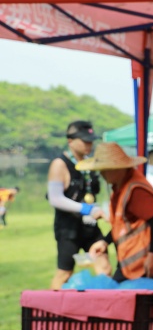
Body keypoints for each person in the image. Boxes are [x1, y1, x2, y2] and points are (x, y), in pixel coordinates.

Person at [81, 142, 153, 290]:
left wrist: (152, 255)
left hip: (143, 258)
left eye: (105, 170)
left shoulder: (136, 190)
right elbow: (121, 223)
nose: (102, 174)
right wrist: (105, 242)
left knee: (136, 293)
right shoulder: (120, 187)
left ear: (118, 168)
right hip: (131, 258)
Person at [47, 120, 110, 289]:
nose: (89, 144)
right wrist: (87, 209)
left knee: (104, 267)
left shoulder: (90, 164)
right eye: (84, 141)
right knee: (64, 273)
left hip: (90, 226)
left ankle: (102, 304)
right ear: (70, 141)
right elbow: (55, 198)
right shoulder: (60, 164)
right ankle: (50, 305)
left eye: (91, 141)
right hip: (69, 228)